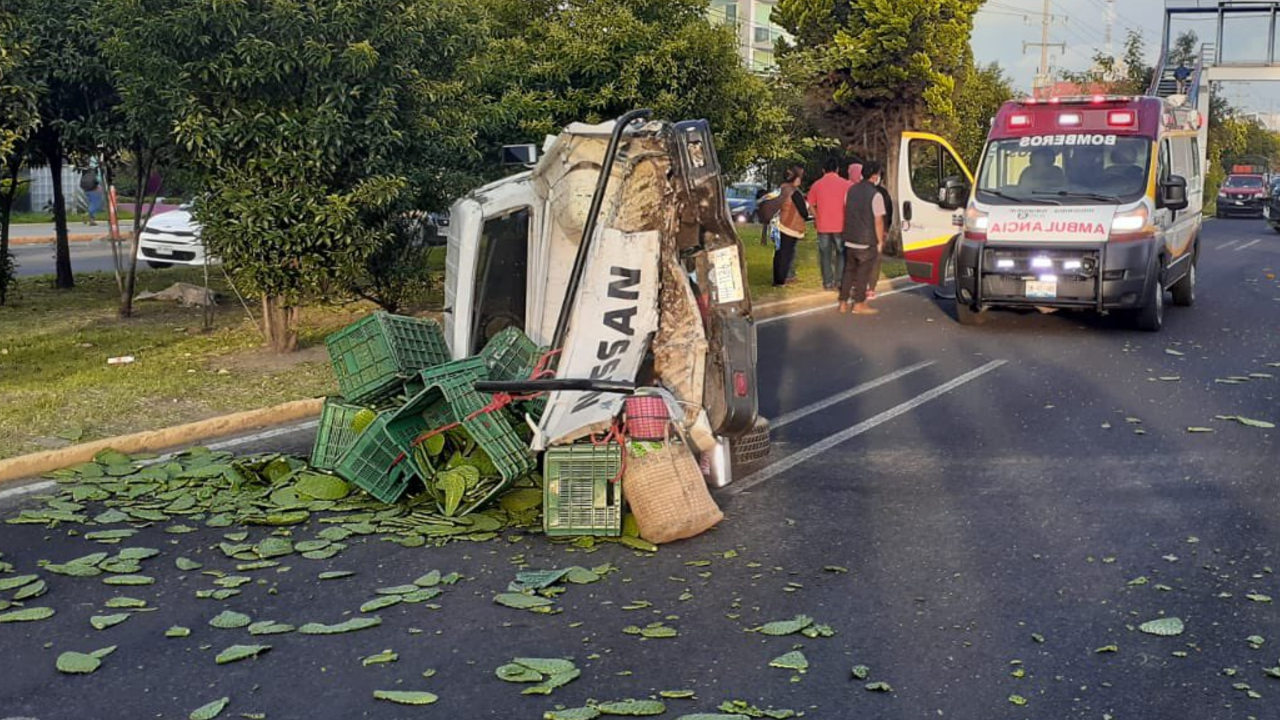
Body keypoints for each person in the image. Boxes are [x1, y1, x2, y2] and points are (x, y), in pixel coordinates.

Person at [840, 160, 887, 315]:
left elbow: (847, 211)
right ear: (875, 176)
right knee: (863, 274)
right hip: (866, 241)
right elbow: (878, 220)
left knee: (848, 271)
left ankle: (842, 303)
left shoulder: (850, 190)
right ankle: (859, 304)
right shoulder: (876, 195)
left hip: (850, 237)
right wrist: (879, 241)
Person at [806, 157, 851, 291]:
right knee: (841, 253)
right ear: (837, 169)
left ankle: (827, 282)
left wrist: (817, 216)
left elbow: (810, 205)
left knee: (825, 254)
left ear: (823, 170)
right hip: (841, 225)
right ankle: (839, 281)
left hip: (823, 225)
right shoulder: (846, 184)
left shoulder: (816, 185)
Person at [772, 166, 811, 287]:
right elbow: (803, 212)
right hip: (790, 226)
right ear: (795, 178)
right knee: (786, 254)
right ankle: (781, 280)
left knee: (779, 253)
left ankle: (776, 278)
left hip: (779, 224)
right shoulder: (795, 193)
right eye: (800, 178)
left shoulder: (782, 189)